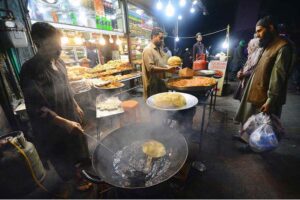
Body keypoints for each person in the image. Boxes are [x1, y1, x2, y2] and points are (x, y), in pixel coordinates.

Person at [20, 22, 91, 191]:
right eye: (52, 43)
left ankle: (80, 173)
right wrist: (63, 122)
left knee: (77, 147)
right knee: (62, 154)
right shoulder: (30, 69)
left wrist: (75, 105)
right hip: (51, 124)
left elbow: (66, 86)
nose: (57, 47)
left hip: (68, 113)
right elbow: (38, 108)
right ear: (38, 42)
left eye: (58, 42)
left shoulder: (60, 63)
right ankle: (73, 182)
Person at [234, 16, 296, 150]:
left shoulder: (282, 47)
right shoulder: (269, 44)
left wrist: (270, 99)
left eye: (260, 30)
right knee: (251, 118)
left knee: (262, 124)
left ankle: (254, 147)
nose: (257, 34)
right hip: (257, 87)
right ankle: (246, 139)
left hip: (267, 93)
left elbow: (278, 76)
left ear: (271, 28)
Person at [141, 27, 175, 100]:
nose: (162, 40)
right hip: (152, 87)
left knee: (162, 107)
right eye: (160, 38)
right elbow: (150, 68)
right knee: (153, 109)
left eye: (163, 38)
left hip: (160, 84)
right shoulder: (148, 50)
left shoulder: (159, 49)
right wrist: (166, 70)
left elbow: (162, 63)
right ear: (153, 36)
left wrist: (172, 67)